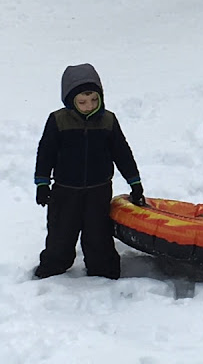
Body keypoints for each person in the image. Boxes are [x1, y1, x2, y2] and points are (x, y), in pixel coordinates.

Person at [33, 63, 147, 280]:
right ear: (70, 100)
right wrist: (42, 183)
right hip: (65, 191)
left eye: (94, 100)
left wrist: (135, 182)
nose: (89, 106)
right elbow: (46, 152)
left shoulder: (108, 120)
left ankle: (104, 270)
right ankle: (53, 267)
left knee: (98, 234)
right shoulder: (58, 120)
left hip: (98, 190)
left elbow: (122, 152)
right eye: (82, 102)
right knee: (61, 233)